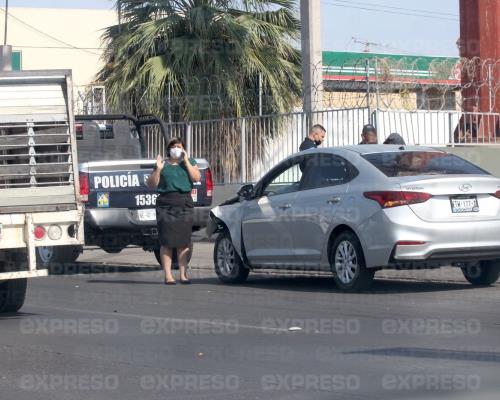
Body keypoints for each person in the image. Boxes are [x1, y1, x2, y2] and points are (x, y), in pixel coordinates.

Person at [147, 137, 201, 285]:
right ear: (168, 149)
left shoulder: (190, 162)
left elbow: (196, 177)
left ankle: (183, 274)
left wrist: (187, 161)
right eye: (173, 146)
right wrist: (157, 169)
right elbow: (152, 184)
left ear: (183, 148)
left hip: (184, 202)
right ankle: (168, 275)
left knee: (183, 241)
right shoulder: (163, 164)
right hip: (165, 203)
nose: (176, 149)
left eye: (179, 146)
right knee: (167, 241)